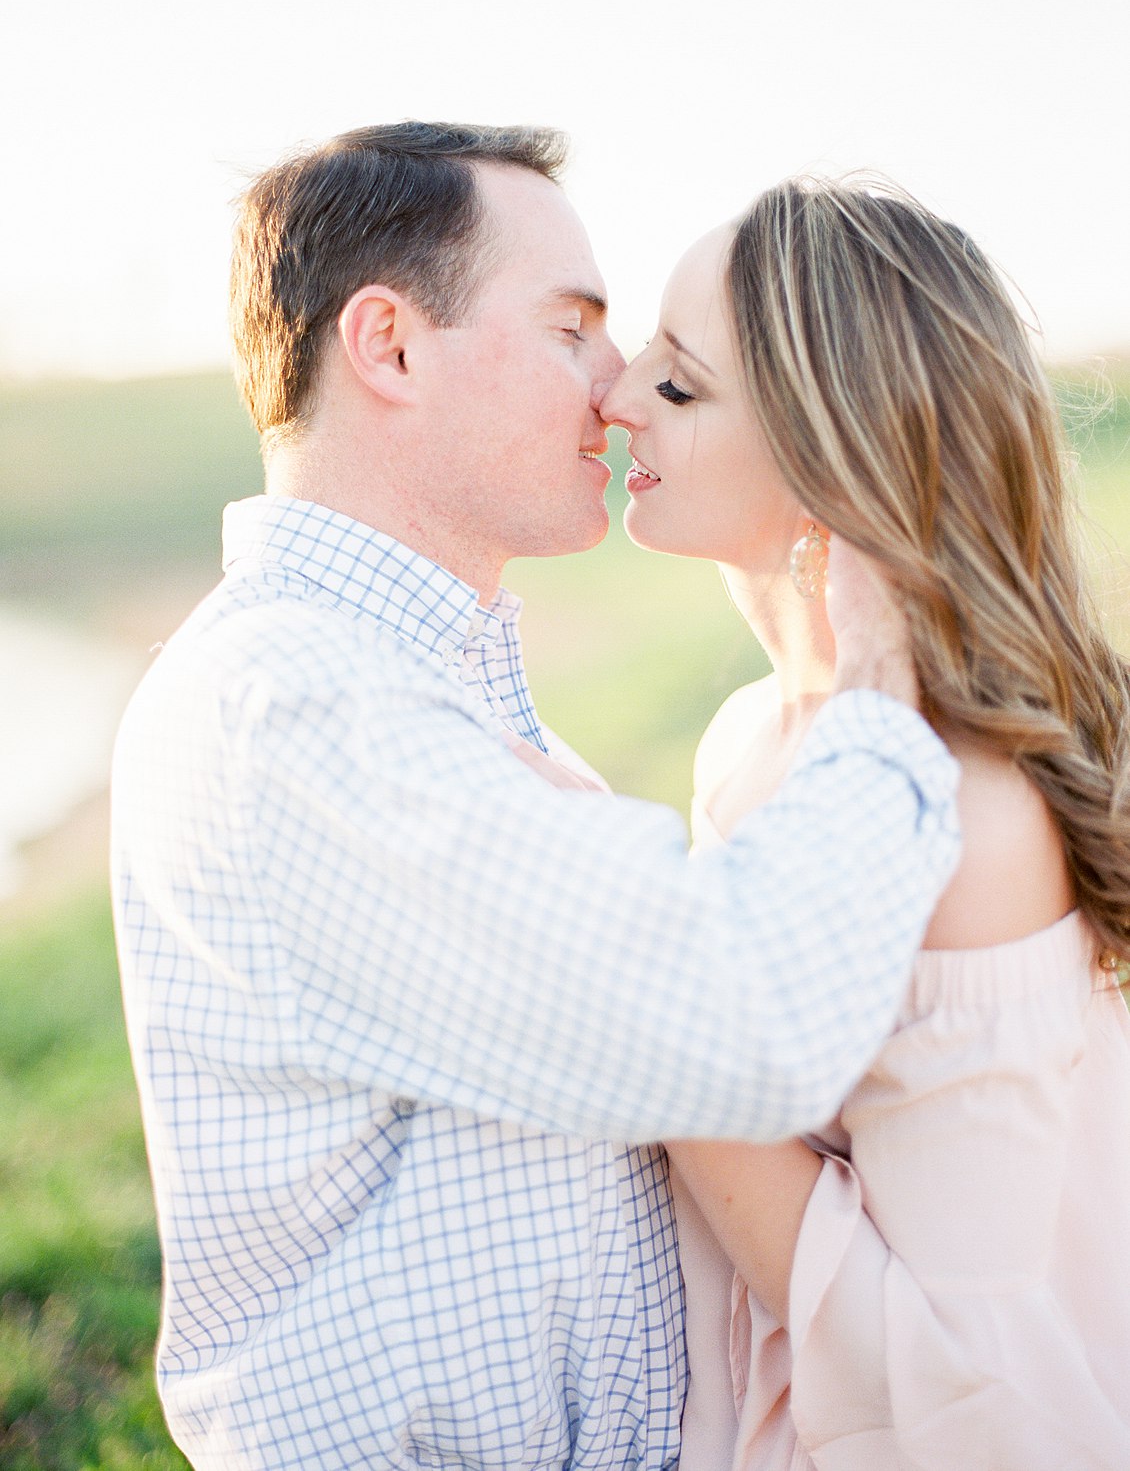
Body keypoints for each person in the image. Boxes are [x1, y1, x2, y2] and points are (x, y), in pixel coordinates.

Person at [110, 125, 961, 1471]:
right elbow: (745, 1010)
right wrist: (874, 694)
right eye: (572, 329)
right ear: (387, 346)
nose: (620, 386)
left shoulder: (407, 693)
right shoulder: (295, 708)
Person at [600, 176, 1130, 1469]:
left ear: (827, 464)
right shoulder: (744, 739)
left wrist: (642, 1016)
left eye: (676, 385)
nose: (613, 398)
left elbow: (967, 1379)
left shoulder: (976, 823)